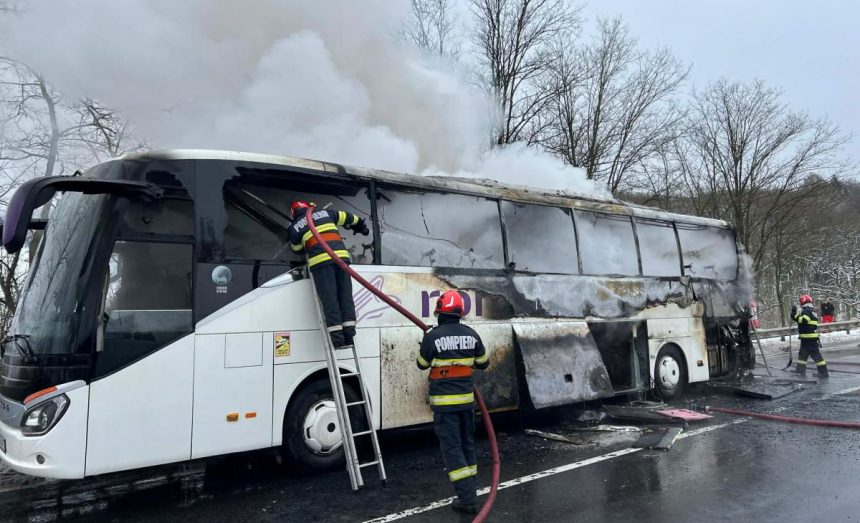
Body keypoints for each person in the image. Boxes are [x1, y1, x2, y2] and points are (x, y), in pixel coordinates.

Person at [417, 290, 490, 515]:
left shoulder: (432, 336)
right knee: (467, 444)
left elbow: (421, 364)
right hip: (467, 404)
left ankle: (467, 499)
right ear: (460, 313)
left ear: (439, 313)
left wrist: (428, 340)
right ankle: (470, 490)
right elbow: (483, 363)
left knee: (452, 449)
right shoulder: (471, 334)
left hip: (444, 407)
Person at [288, 201, 369, 348]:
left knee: (330, 299)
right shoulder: (328, 213)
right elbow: (350, 218)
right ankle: (349, 335)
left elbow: (296, 248)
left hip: (321, 263)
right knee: (345, 296)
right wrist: (360, 226)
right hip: (342, 260)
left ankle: (338, 339)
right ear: (309, 207)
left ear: (293, 213)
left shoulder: (294, 227)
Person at [791, 294, 829, 378]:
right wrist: (794, 314)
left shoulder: (807, 310)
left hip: (809, 338)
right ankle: (800, 371)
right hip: (807, 338)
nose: (800, 303)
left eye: (801, 301)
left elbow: (803, 320)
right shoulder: (810, 310)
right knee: (802, 356)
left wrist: (794, 315)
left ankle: (823, 373)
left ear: (804, 301)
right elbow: (801, 319)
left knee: (816, 356)